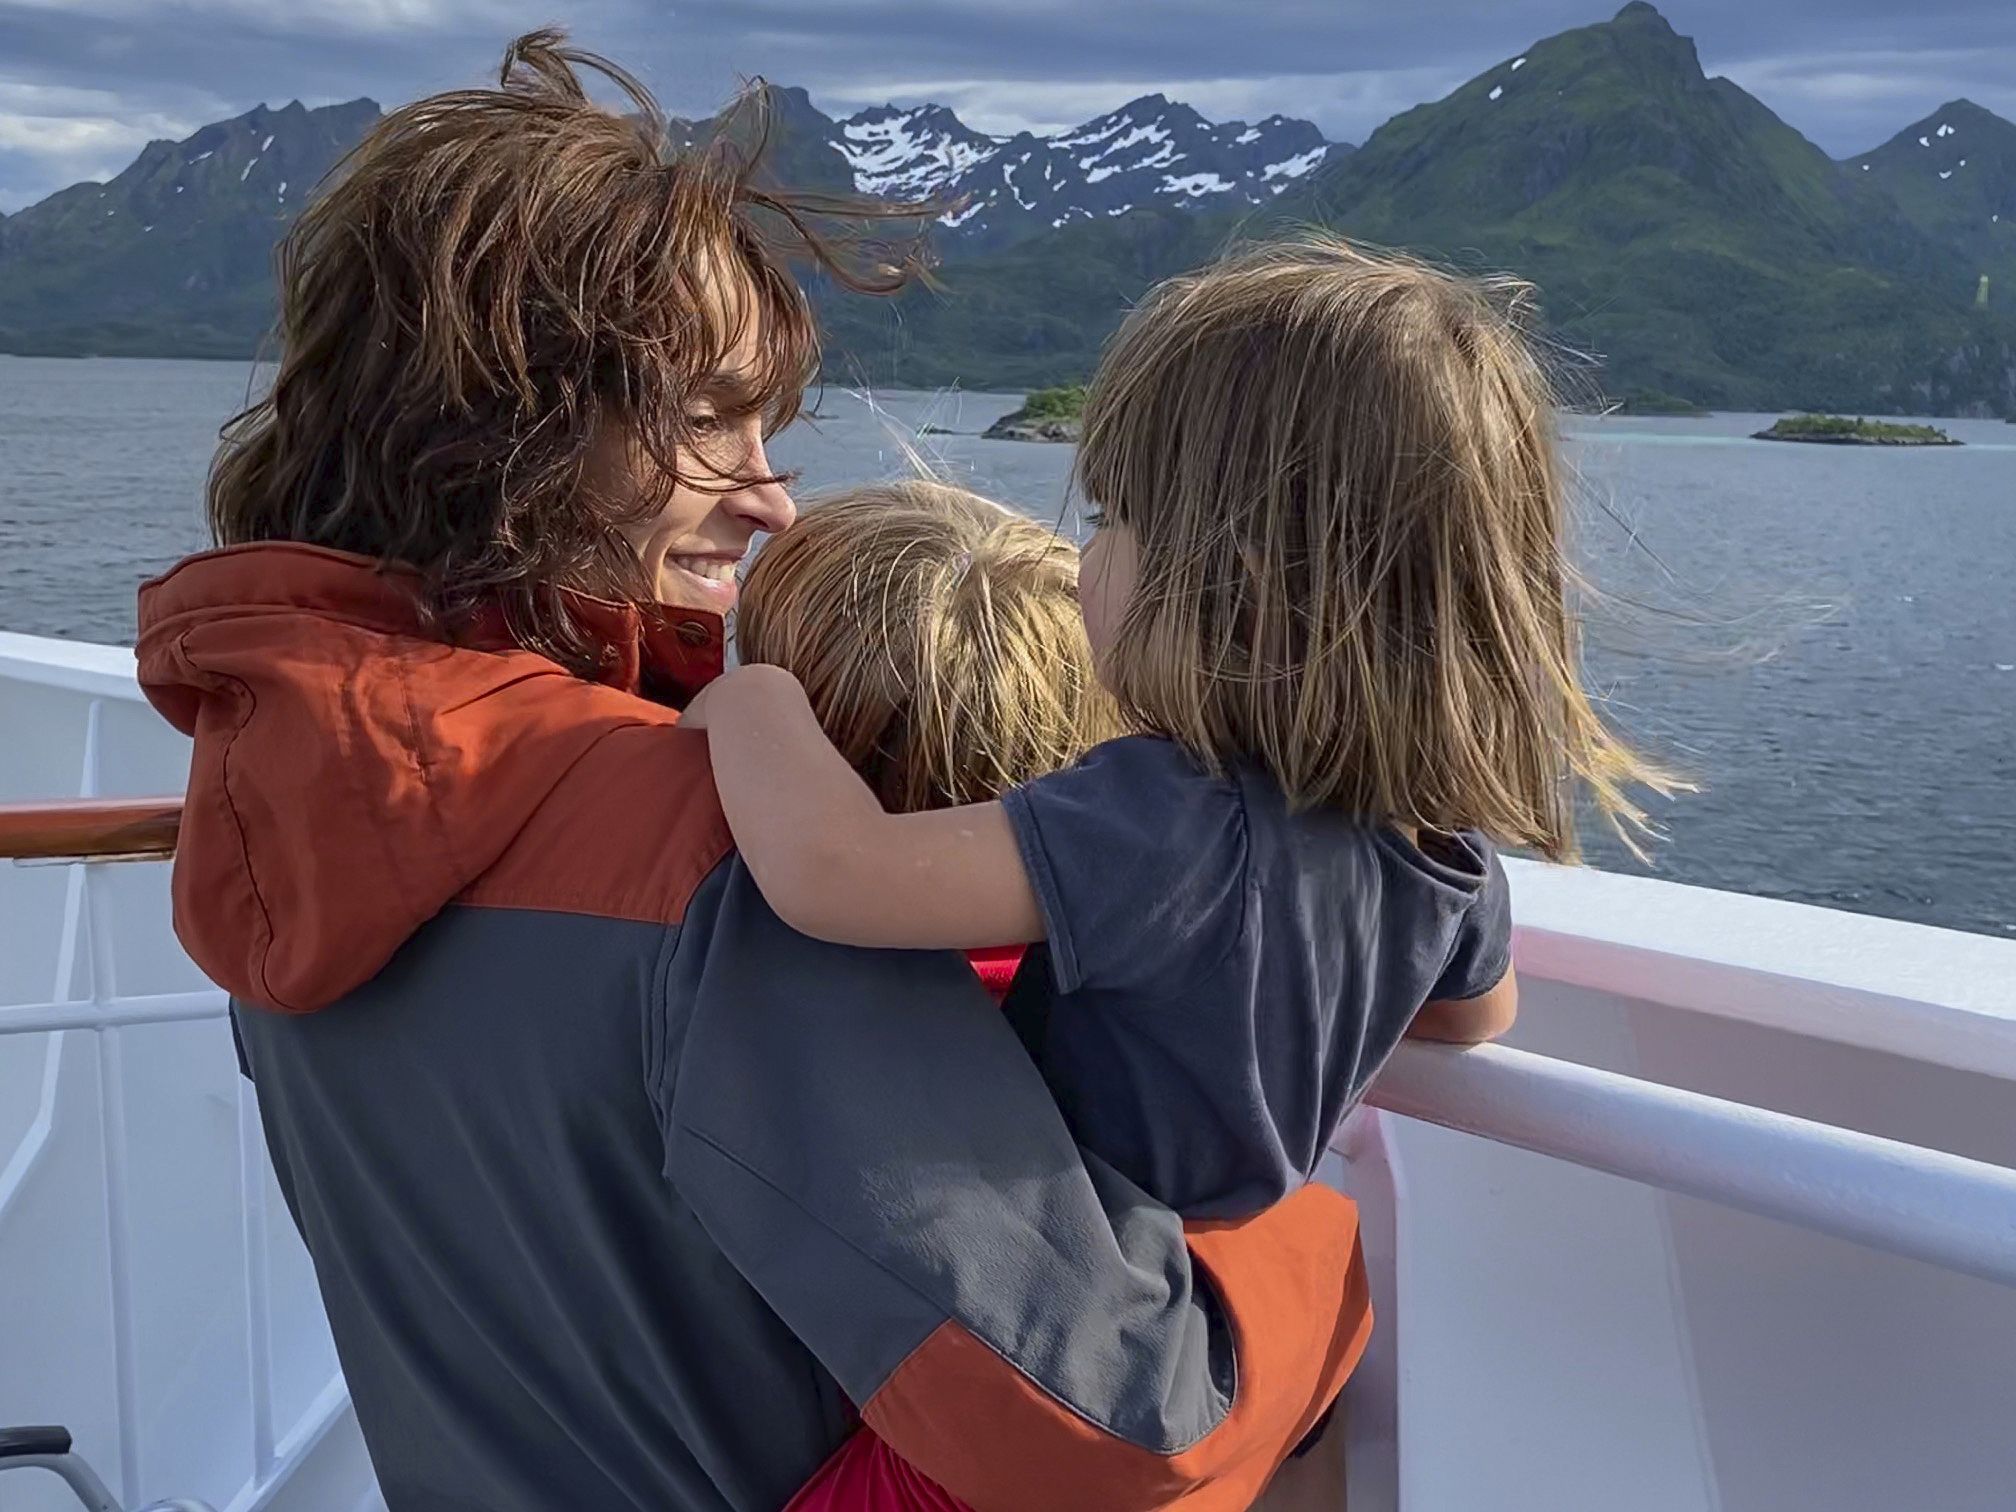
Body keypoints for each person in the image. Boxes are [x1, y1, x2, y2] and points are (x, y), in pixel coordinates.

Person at [136, 32, 1362, 1512]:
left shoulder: (274, 795)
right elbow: (1120, 1428)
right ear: (502, 428)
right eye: (708, 418)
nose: (771, 494)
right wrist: (1303, 1244)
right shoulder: (708, 858)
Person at [689, 236, 1674, 1221]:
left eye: (1114, 517)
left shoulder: (1159, 824)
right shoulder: (1437, 849)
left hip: (1047, 1258)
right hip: (1191, 1270)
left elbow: (835, 873)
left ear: (1226, 584)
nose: (1088, 559)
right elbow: (1471, 1018)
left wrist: (750, 699)